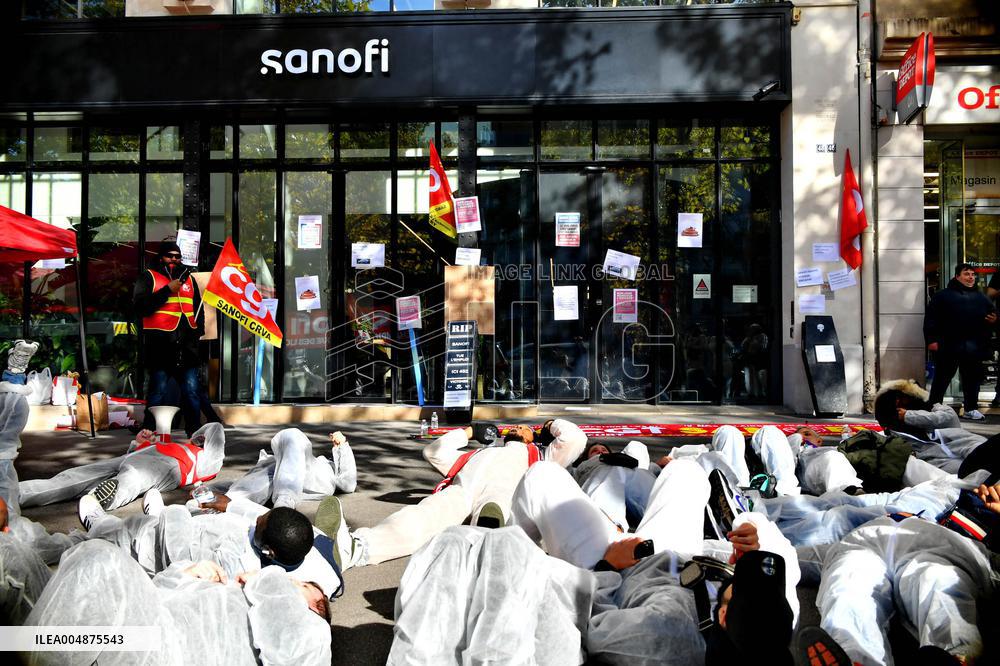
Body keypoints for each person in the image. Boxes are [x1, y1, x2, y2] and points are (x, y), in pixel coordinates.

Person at [25, 540, 332, 665]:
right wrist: (186, 574)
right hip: (144, 635)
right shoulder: (244, 592)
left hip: (174, 655)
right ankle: (15, 645)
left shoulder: (313, 632)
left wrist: (267, 578)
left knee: (100, 558)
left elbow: (294, 642)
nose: (295, 582)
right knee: (18, 553)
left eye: (305, 585)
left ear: (316, 607)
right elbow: (154, 592)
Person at [346, 419, 587, 567]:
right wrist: (469, 432)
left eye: (522, 428)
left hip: (504, 497)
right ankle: (360, 547)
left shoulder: (543, 457)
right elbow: (433, 452)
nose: (515, 428)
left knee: (495, 509)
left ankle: (486, 549)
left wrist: (548, 426)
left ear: (534, 437)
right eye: (514, 426)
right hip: (461, 492)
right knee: (421, 516)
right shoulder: (476, 453)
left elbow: (574, 438)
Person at [77, 489, 345, 601]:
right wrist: (229, 504)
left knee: (130, 536)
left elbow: (179, 560)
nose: (255, 521)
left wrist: (172, 522)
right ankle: (159, 517)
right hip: (201, 528)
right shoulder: (307, 551)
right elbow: (259, 518)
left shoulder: (239, 570)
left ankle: (99, 526)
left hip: (161, 549)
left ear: (267, 552)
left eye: (258, 526)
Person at [19, 422, 226, 511]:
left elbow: (215, 428)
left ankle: (107, 498)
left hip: (169, 466)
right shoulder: (180, 444)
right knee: (77, 475)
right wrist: (139, 442)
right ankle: (18, 494)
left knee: (135, 478)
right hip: (140, 455)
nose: (199, 440)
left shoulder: (207, 462)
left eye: (201, 439)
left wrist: (196, 438)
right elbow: (135, 454)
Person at [133, 240, 211, 436]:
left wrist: (197, 331)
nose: (174, 260)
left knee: (192, 390)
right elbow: (141, 307)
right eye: (170, 256)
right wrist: (168, 290)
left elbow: (197, 308)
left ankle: (194, 431)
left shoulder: (189, 279)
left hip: (186, 345)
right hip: (161, 344)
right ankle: (148, 429)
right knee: (157, 391)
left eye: (178, 257)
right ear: (161, 257)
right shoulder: (148, 276)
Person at [204, 428, 356, 511]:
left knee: (292, 436)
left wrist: (343, 446)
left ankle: (284, 503)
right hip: (284, 472)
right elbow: (243, 483)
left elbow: (348, 484)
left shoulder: (326, 467)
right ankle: (213, 500)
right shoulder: (281, 463)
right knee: (268, 474)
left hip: (314, 478)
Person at [924, 263, 997, 420]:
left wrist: (994, 320)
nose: (970, 277)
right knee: (942, 378)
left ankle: (970, 408)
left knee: (972, 379)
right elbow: (931, 319)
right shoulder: (942, 296)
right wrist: (932, 340)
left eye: (972, 274)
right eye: (966, 274)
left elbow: (993, 315)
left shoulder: (981, 297)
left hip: (973, 346)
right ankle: (934, 406)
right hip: (948, 345)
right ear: (957, 276)